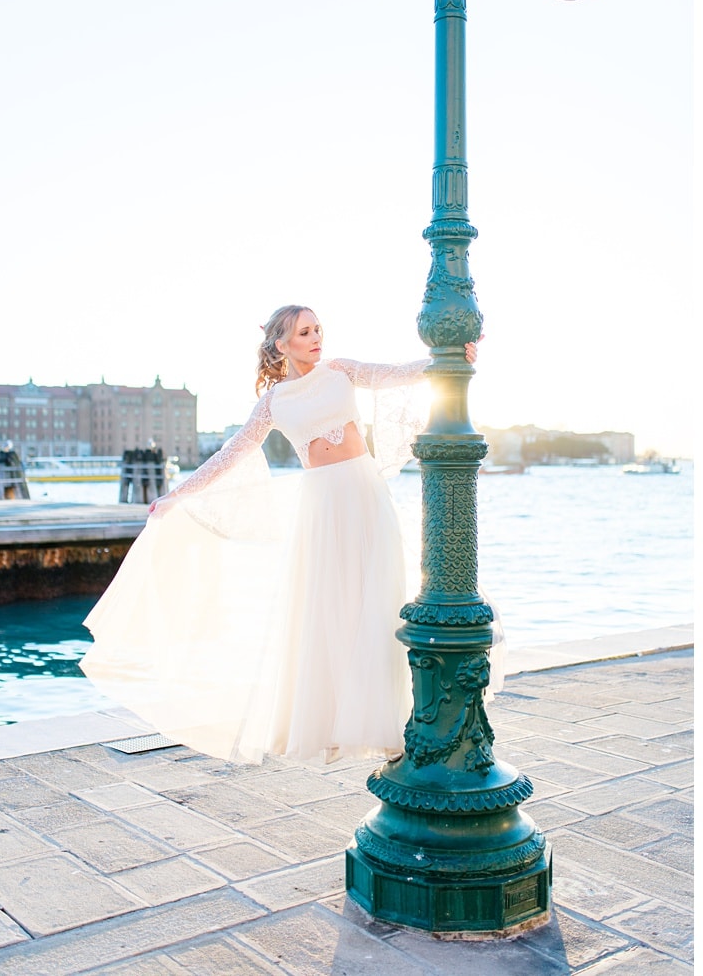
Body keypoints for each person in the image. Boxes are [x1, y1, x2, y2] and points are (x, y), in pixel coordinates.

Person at [80, 305, 479, 766]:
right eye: (304, 332)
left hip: (364, 494)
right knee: (330, 609)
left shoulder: (340, 371)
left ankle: (391, 723)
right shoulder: (273, 402)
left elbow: (394, 374)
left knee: (378, 601)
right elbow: (230, 455)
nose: (316, 338)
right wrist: (178, 494)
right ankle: (335, 725)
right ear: (280, 344)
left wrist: (449, 358)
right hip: (321, 506)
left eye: (318, 329)